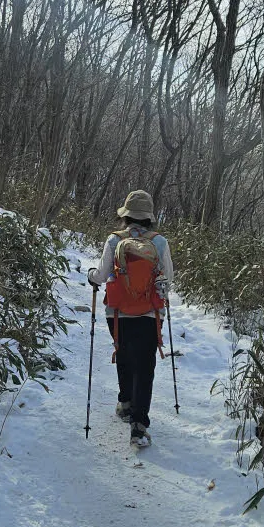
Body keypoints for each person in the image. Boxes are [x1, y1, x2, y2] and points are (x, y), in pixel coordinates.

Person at [87, 189, 173, 449]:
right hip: (149, 314)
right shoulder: (159, 242)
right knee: (145, 366)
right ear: (149, 217)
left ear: (126, 215)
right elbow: (167, 279)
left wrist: (91, 275)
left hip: (117, 313)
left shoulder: (114, 240)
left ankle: (125, 403)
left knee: (123, 354)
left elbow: (101, 275)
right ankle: (139, 424)